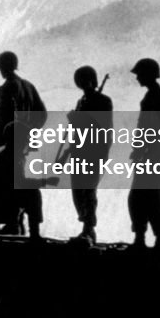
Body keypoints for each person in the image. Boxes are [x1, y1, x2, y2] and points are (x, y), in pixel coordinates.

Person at [0, 51, 46, 239]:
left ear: (4, 67)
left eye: (0, 67)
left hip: (8, 144)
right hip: (26, 146)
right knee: (23, 183)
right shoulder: (28, 87)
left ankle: (13, 223)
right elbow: (42, 114)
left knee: (4, 183)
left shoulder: (7, 89)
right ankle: (20, 225)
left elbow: (0, 119)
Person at [127, 58, 160, 254]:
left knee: (144, 197)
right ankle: (153, 238)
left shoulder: (156, 96)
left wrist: (142, 149)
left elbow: (156, 127)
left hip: (153, 153)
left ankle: (151, 239)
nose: (137, 77)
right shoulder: (156, 95)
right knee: (147, 196)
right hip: (153, 153)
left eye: (140, 74)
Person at [63, 66, 113, 246]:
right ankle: (86, 227)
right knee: (78, 191)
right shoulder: (81, 101)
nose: (83, 84)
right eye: (80, 81)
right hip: (78, 151)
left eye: (85, 80)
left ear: (92, 80)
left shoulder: (103, 101)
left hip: (94, 151)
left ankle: (89, 229)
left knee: (88, 191)